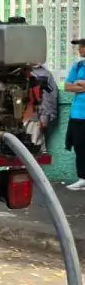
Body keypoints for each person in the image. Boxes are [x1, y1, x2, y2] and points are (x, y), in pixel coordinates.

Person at [63, 38, 85, 189]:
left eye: (82, 46)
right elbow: (67, 86)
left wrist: (80, 82)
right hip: (78, 114)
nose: (79, 49)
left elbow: (74, 84)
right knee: (79, 146)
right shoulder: (78, 65)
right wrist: (81, 84)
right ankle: (83, 178)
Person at [23, 63, 58, 154]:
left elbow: (49, 97)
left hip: (33, 117)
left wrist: (45, 116)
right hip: (14, 118)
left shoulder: (44, 74)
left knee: (34, 149)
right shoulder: (13, 71)